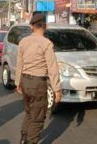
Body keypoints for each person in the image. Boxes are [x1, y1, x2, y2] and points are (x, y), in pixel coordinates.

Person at [15, 13, 62, 144]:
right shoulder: (47, 43)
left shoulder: (23, 42)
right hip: (38, 83)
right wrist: (57, 90)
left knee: (29, 112)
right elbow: (52, 68)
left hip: (25, 81)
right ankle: (30, 141)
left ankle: (23, 139)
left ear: (31, 26)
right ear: (45, 26)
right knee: (38, 117)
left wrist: (17, 82)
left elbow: (20, 64)